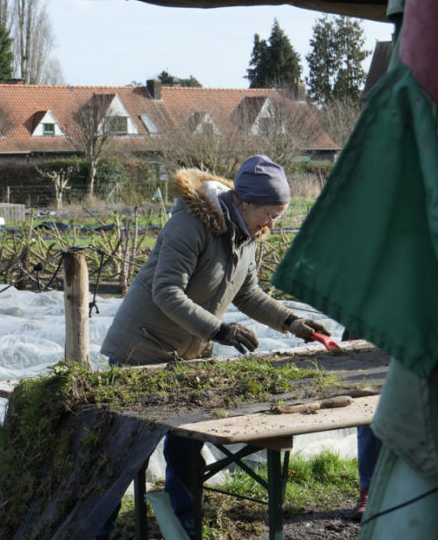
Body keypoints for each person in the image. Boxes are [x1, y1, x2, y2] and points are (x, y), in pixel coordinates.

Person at [99, 154, 329, 538]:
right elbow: (166, 292)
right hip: (139, 353)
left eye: (279, 216)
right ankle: (96, 530)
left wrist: (292, 322)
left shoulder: (248, 236)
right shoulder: (190, 225)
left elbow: (249, 293)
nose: (271, 225)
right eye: (269, 214)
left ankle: (185, 527)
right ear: (245, 202)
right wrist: (219, 331)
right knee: (123, 457)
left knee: (186, 452)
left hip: (187, 358)